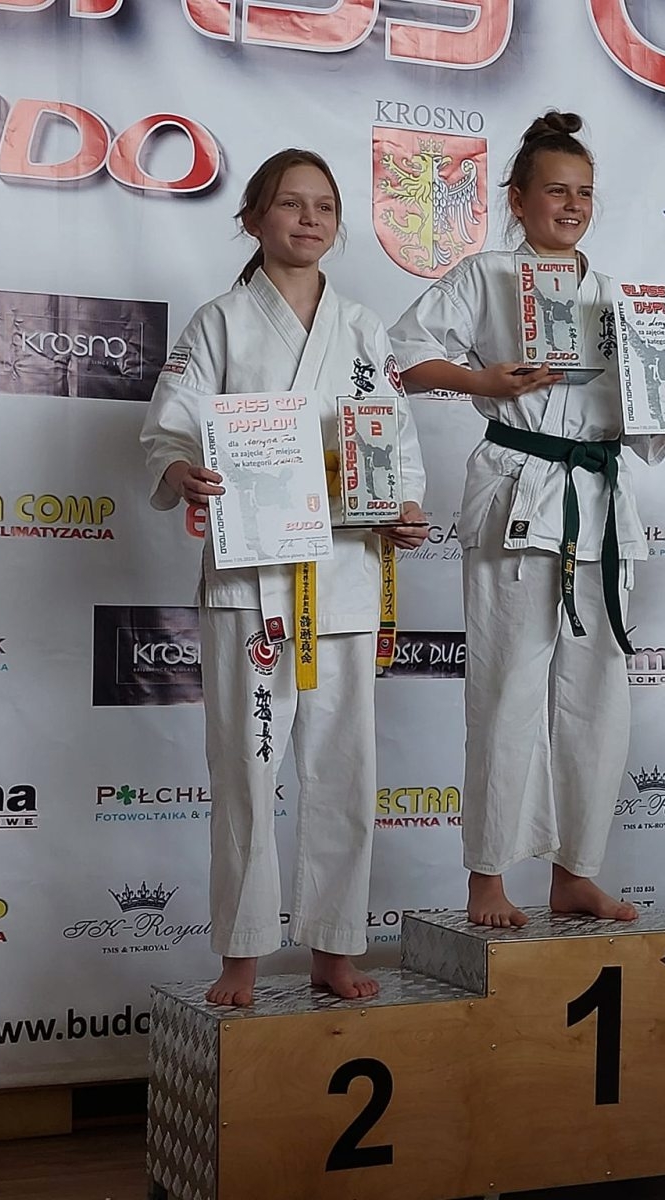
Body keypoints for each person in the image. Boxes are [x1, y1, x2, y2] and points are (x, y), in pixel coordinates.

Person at [389, 111, 665, 928]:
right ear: (517, 199)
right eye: (555, 191)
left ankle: (576, 870)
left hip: (601, 500)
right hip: (519, 490)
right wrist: (483, 382)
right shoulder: (486, 276)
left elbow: (644, 425)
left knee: (597, 694)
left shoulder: (619, 298)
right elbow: (401, 355)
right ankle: (487, 877)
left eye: (583, 192)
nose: (572, 205)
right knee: (507, 687)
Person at [140, 149, 429, 1006]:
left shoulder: (363, 328)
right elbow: (169, 429)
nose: (309, 219)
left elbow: (396, 442)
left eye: (324, 207)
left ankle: (336, 946)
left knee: (346, 771)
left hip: (344, 574)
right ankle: (240, 955)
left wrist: (404, 507)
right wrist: (183, 468)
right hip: (252, 579)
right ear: (253, 219)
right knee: (246, 770)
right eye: (291, 204)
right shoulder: (221, 323)